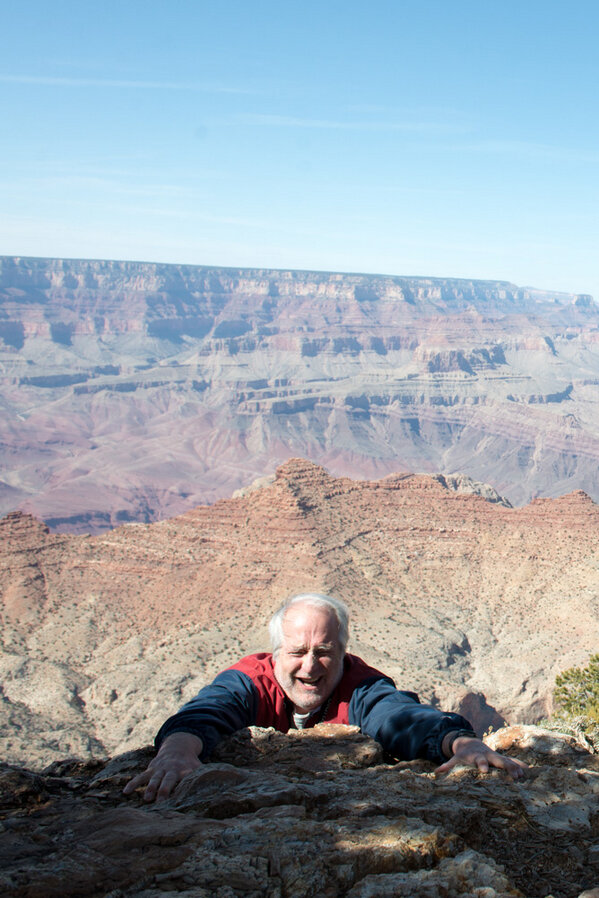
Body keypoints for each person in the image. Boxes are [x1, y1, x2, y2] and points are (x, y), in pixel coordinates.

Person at [124, 593, 527, 802]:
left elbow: (400, 717)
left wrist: (461, 742)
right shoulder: (251, 679)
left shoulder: (360, 686)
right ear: (276, 652)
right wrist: (177, 752)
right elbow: (207, 710)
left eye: (324, 652)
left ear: (343, 652)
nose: (310, 667)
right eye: (297, 652)